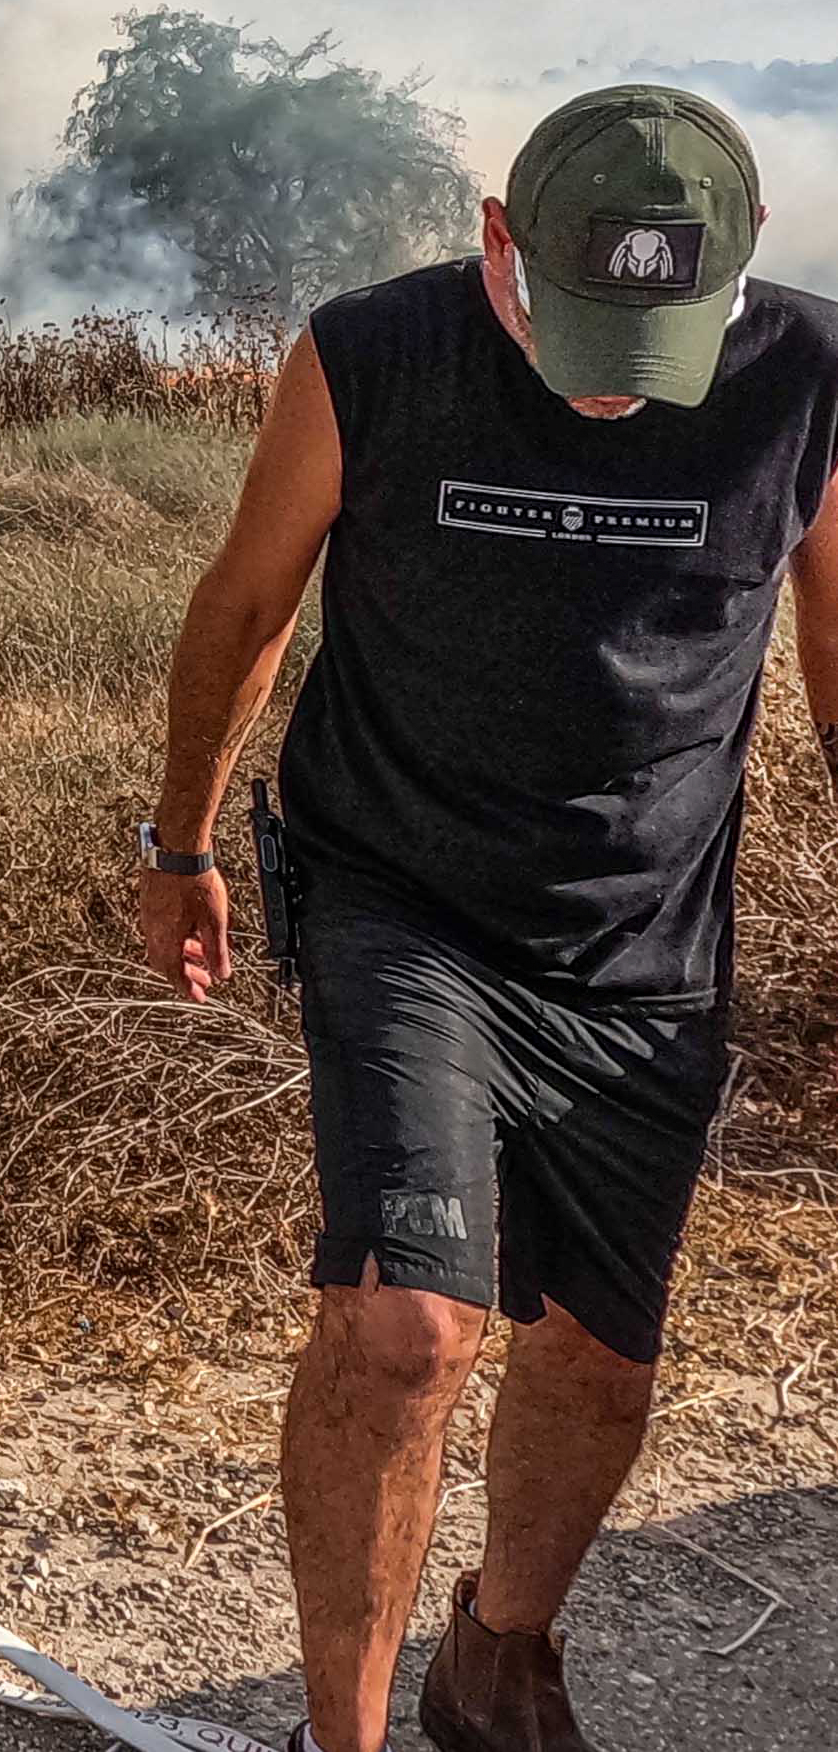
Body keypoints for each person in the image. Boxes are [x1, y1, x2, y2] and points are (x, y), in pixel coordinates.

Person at [138, 85, 838, 1752]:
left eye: (654, 336)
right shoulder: (372, 355)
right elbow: (245, 602)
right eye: (579, 322)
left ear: (740, 260)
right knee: (404, 1327)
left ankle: (494, 1652)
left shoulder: (810, 376)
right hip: (403, 898)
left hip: (640, 935)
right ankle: (342, 1736)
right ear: (498, 241)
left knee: (597, 1362)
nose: (610, 378)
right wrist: (179, 839)